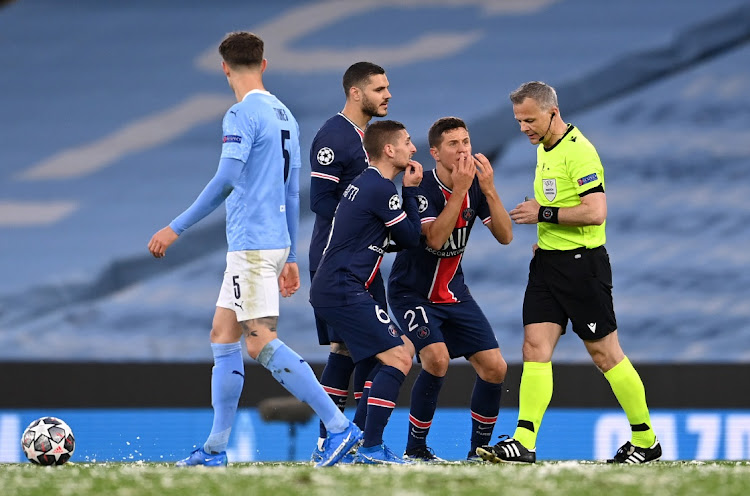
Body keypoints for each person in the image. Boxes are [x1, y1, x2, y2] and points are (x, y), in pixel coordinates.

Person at [147, 31, 361, 468]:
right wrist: (293, 255)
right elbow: (290, 189)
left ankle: (339, 427)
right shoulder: (285, 114)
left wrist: (176, 227)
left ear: (224, 68)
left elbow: (226, 179)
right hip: (271, 243)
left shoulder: (240, 114)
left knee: (259, 341)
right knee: (223, 337)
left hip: (251, 246)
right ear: (264, 64)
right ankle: (214, 449)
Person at [476, 81, 660, 464]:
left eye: (529, 119)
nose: (523, 127)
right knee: (533, 348)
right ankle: (524, 442)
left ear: (552, 113)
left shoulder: (580, 152)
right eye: (519, 120)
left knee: (605, 354)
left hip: (582, 266)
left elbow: (596, 211)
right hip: (548, 264)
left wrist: (541, 214)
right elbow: (561, 201)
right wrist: (546, 233)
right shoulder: (545, 147)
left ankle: (646, 439)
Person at [387, 117, 513, 462]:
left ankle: (478, 451)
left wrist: (487, 189)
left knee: (495, 368)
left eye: (466, 142)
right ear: (435, 153)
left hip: (453, 292)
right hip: (411, 292)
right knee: (437, 359)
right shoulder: (422, 186)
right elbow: (435, 239)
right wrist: (460, 191)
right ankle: (415, 449)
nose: (463, 150)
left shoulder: (474, 185)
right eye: (454, 144)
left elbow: (505, 236)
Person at [310, 120, 423, 464]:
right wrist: (412, 191)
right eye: (406, 142)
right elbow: (410, 239)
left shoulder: (363, 184)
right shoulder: (382, 188)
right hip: (344, 287)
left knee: (352, 353)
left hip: (334, 285)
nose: (412, 148)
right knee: (401, 355)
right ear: (389, 150)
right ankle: (368, 447)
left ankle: (343, 444)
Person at [308, 62, 391, 461]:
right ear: (356, 93)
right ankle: (343, 440)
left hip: (364, 263)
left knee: (356, 350)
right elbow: (320, 201)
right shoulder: (334, 135)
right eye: (379, 89)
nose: (387, 95)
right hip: (335, 261)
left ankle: (344, 441)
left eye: (387, 87)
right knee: (364, 350)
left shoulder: (371, 137)